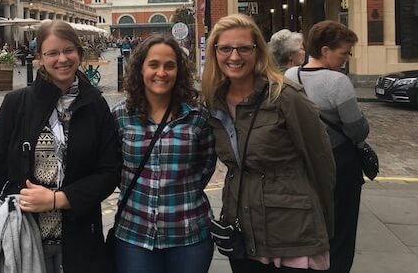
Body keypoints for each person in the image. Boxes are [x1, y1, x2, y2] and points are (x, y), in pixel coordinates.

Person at [0, 20, 121, 273]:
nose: (62, 59)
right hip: (23, 237)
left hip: (80, 240)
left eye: (68, 50)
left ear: (79, 53)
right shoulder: (17, 104)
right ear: (40, 58)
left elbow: (109, 173)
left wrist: (57, 199)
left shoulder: (96, 106)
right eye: (52, 53)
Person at [201, 14, 335, 273]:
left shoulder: (286, 97)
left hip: (292, 234)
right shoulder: (213, 102)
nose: (235, 56)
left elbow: (322, 165)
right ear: (215, 52)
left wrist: (324, 230)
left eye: (244, 48)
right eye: (226, 48)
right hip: (243, 231)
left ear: (257, 51)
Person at [112, 34, 217, 273]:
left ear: (179, 71)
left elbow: (206, 164)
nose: (162, 73)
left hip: (188, 234)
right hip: (134, 234)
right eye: (154, 65)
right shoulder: (121, 115)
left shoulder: (197, 116)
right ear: (140, 69)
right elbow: (114, 166)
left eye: (170, 66)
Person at [284, 20, 369, 273]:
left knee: (312, 223)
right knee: (342, 229)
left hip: (304, 163)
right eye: (343, 52)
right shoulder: (338, 82)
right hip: (340, 163)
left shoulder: (291, 75)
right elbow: (357, 129)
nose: (347, 58)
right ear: (325, 51)